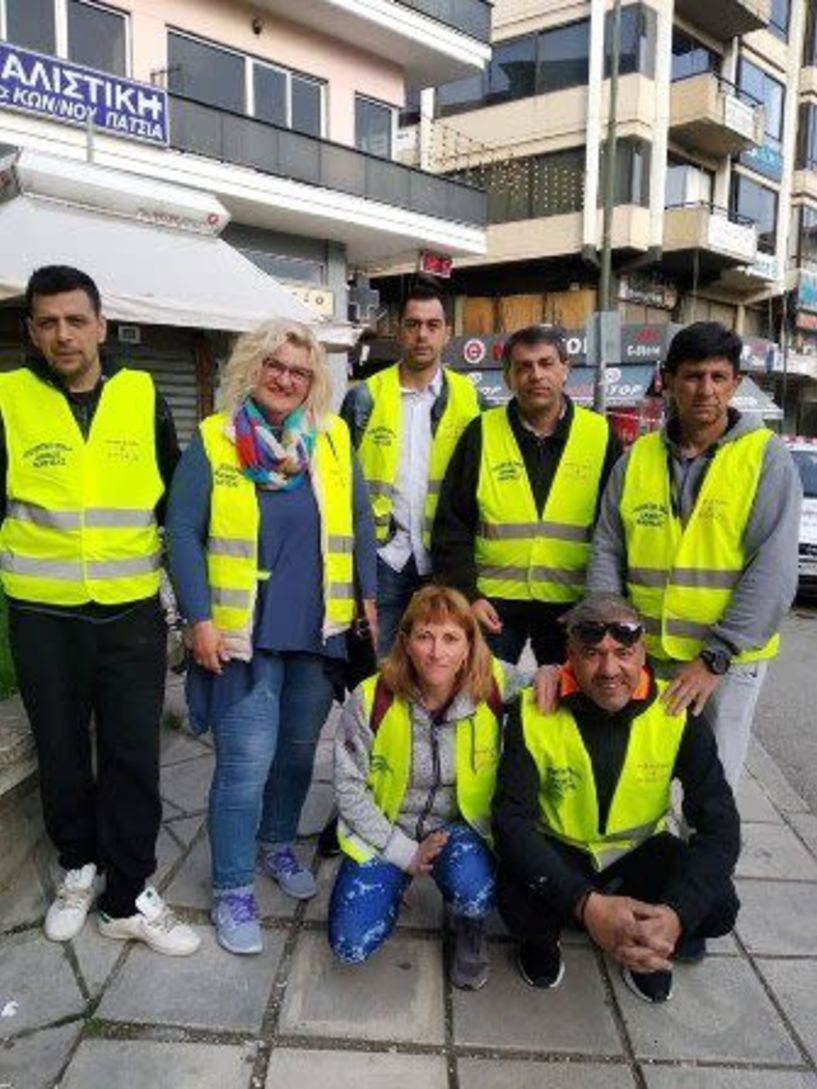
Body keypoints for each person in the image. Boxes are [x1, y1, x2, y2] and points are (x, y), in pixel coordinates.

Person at [0, 265, 199, 955]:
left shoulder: (144, 397)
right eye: (48, 321)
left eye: (75, 319)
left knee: (131, 756)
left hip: (130, 614)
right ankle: (78, 868)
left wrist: (197, 603)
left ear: (100, 325)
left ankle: (126, 896)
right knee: (60, 750)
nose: (63, 334)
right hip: (42, 614)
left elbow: (176, 503)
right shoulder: (8, 399)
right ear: (30, 330)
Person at [166, 319, 376, 955]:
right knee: (244, 766)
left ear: (313, 381)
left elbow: (360, 524)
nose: (286, 379)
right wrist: (198, 618)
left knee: (295, 756)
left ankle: (276, 844)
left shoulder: (333, 439)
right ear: (252, 369)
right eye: (275, 366)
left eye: (300, 371)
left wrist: (366, 602)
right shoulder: (215, 439)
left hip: (319, 631)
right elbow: (182, 533)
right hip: (241, 635)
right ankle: (231, 887)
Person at [493, 594, 741, 1004]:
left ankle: (647, 944)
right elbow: (510, 822)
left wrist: (676, 914)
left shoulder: (676, 710)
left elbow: (720, 825)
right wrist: (585, 904)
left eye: (623, 653)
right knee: (512, 899)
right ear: (569, 654)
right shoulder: (534, 709)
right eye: (592, 654)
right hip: (563, 851)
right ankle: (553, 937)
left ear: (642, 652)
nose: (610, 670)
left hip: (640, 853)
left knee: (717, 906)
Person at [587, 321, 801, 787]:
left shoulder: (765, 457)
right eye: (692, 376)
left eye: (718, 377)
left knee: (709, 789)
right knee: (641, 781)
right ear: (668, 381)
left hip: (725, 664)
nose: (705, 390)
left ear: (736, 382)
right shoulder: (637, 458)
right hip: (644, 656)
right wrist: (610, 635)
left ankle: (704, 864)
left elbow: (774, 571)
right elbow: (607, 548)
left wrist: (715, 658)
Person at [329, 584, 552, 990]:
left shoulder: (497, 683)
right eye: (425, 637)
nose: (437, 652)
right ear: (406, 642)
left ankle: (469, 923)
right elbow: (347, 789)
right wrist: (404, 853)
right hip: (389, 827)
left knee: (473, 889)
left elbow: (550, 686)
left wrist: (555, 671)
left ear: (469, 644)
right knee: (350, 945)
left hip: (460, 828)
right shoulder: (370, 698)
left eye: (451, 638)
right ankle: (396, 884)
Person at [432, 324, 620, 668]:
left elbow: (616, 531)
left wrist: (599, 604)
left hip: (573, 607)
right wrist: (468, 595)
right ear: (508, 378)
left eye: (546, 363)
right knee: (480, 704)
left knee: (565, 708)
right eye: (523, 367)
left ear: (566, 370)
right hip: (492, 606)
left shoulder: (600, 435)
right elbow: (452, 524)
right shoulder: (481, 432)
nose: (536, 375)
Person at [342, 277, 481, 657]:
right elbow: (341, 486)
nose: (423, 335)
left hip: (445, 559)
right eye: (413, 324)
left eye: (432, 325)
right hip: (385, 559)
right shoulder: (364, 399)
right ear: (398, 331)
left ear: (447, 333)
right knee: (382, 668)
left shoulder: (472, 401)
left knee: (439, 668)